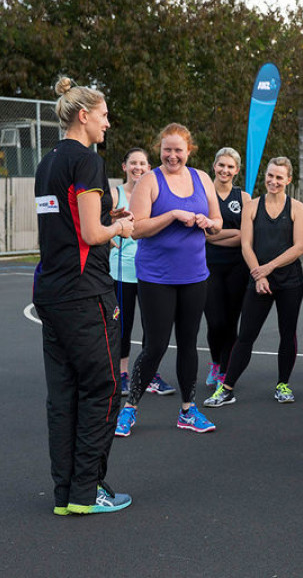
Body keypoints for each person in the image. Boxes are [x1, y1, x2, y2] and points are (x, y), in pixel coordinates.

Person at [33, 76, 132, 514]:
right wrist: (119, 227)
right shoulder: (88, 162)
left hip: (51, 291)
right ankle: (89, 491)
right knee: (104, 387)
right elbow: (91, 233)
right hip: (85, 293)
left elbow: (69, 223)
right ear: (85, 115)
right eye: (105, 115)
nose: (108, 123)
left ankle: (66, 495)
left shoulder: (46, 162)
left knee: (64, 394)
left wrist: (108, 213)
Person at [115, 123, 222, 437]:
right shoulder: (150, 180)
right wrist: (173, 214)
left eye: (178, 150)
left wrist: (208, 222)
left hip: (194, 275)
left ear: (189, 151)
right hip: (156, 277)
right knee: (156, 345)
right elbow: (137, 228)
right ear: (159, 150)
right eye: (167, 150)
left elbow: (217, 224)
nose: (172, 156)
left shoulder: (202, 178)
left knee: (189, 343)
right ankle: (129, 408)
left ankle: (188, 410)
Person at [204, 157, 303, 406]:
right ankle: (226, 388)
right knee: (246, 335)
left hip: (289, 280)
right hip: (258, 280)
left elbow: (299, 247)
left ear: (288, 180)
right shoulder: (251, 206)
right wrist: (258, 275)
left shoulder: (297, 208)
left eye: (279, 177)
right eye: (270, 176)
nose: (273, 181)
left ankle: (283, 384)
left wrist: (267, 269)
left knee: (287, 333)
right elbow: (246, 244)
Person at [203, 147, 251, 387]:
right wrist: (226, 234)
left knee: (232, 321)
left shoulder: (243, 198)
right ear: (214, 166)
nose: (225, 170)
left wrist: (216, 233)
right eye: (221, 165)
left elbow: (247, 236)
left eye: (230, 166)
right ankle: (215, 363)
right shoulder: (202, 193)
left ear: (237, 170)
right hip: (207, 265)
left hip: (237, 267)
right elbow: (203, 236)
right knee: (215, 320)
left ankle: (225, 368)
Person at [109, 148, 152, 396]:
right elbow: (100, 225)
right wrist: (111, 231)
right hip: (122, 272)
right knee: (123, 326)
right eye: (133, 163)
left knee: (151, 327)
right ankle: (123, 373)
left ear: (148, 168)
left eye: (143, 163)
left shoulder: (152, 195)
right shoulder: (115, 195)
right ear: (124, 167)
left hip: (149, 272)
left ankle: (149, 373)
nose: (138, 167)